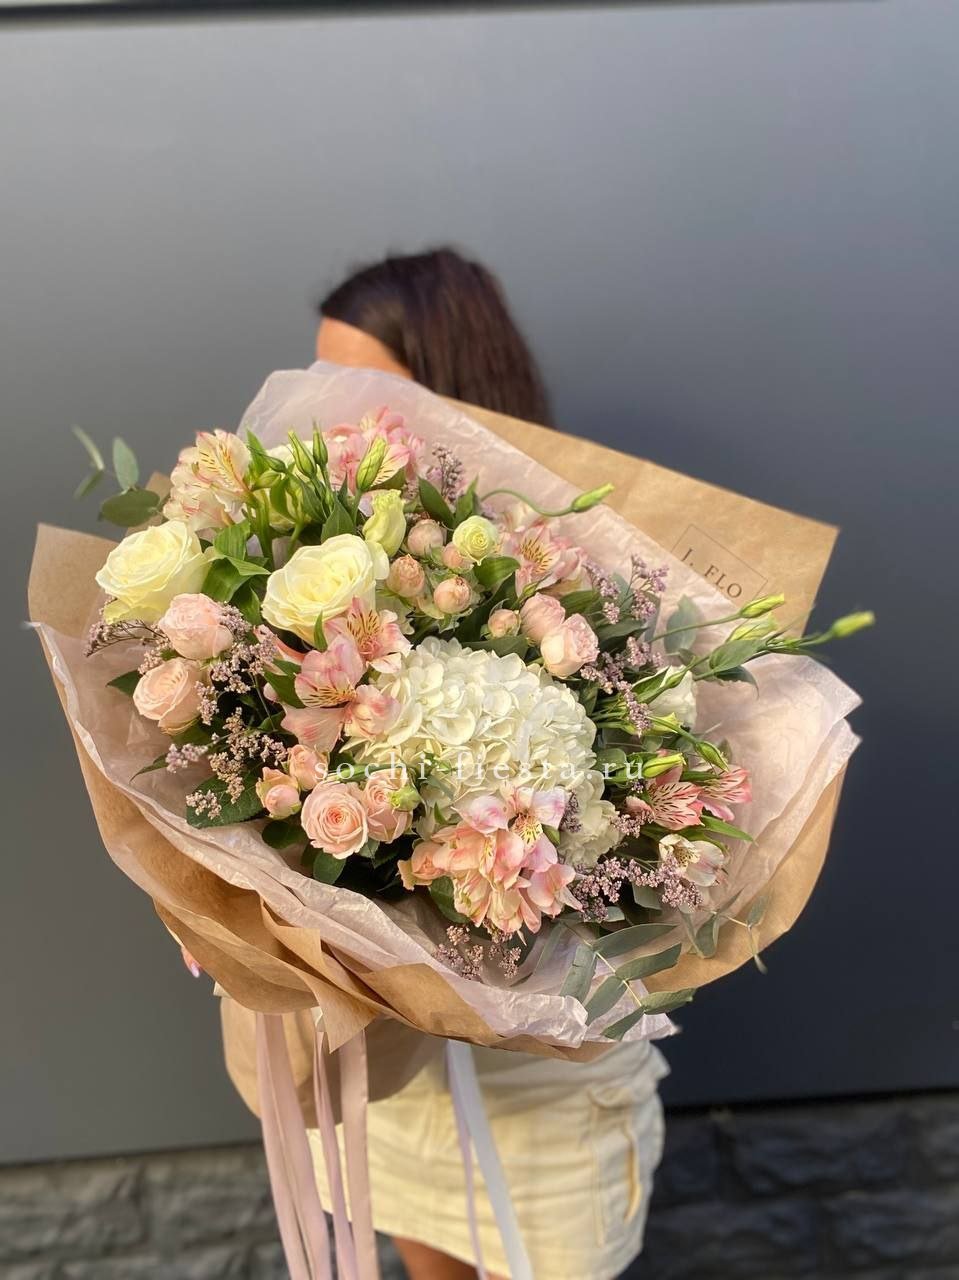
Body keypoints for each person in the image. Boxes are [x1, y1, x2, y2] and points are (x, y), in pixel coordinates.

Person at [309, 248, 669, 1280]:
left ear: (454, 385)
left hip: (541, 1077)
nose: (332, 416)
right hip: (397, 1070)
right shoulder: (318, 574)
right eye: (317, 379)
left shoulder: (590, 566)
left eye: (363, 388)